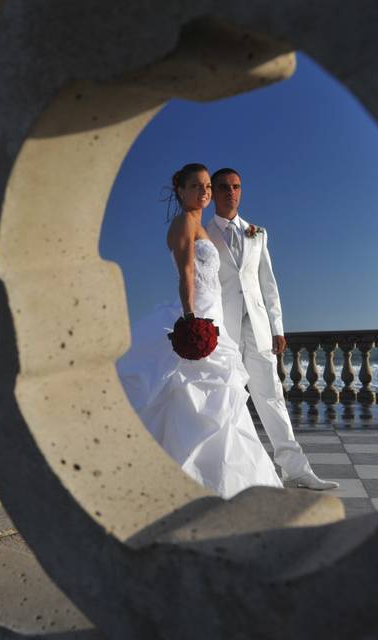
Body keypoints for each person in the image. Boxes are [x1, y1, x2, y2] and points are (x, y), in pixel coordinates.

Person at [117, 163, 283, 499]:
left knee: (224, 403)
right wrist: (192, 319)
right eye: (197, 186)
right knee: (194, 399)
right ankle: (188, 480)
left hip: (215, 315)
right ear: (180, 190)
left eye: (208, 186)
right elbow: (187, 272)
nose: (205, 192)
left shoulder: (200, 225)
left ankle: (227, 481)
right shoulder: (184, 222)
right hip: (200, 315)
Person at [206, 167, 338, 490]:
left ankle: (295, 470)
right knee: (228, 398)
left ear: (241, 190)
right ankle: (227, 471)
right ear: (213, 191)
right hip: (223, 331)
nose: (230, 192)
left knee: (273, 397)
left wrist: (278, 327)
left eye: (236, 187)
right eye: (223, 187)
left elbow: (269, 283)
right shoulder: (203, 233)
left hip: (259, 327)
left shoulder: (257, 233)